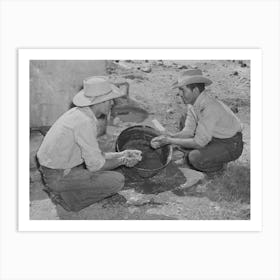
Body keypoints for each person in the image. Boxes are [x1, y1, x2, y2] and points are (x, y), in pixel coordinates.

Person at [37, 76, 142, 212]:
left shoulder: (79, 113)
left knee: (93, 171)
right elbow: (96, 166)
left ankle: (68, 190)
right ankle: (70, 201)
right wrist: (123, 161)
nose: (112, 104)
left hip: (56, 169)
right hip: (57, 176)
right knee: (117, 181)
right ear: (100, 102)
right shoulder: (85, 122)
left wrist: (122, 153)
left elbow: (95, 154)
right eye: (109, 100)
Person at [151, 69, 243, 173]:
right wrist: (170, 136)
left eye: (182, 90)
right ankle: (208, 152)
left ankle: (219, 166)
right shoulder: (193, 104)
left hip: (230, 144)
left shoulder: (209, 107)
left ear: (195, 90)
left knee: (194, 158)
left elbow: (199, 143)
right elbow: (188, 132)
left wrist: (170, 141)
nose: (180, 94)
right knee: (185, 117)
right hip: (213, 136)